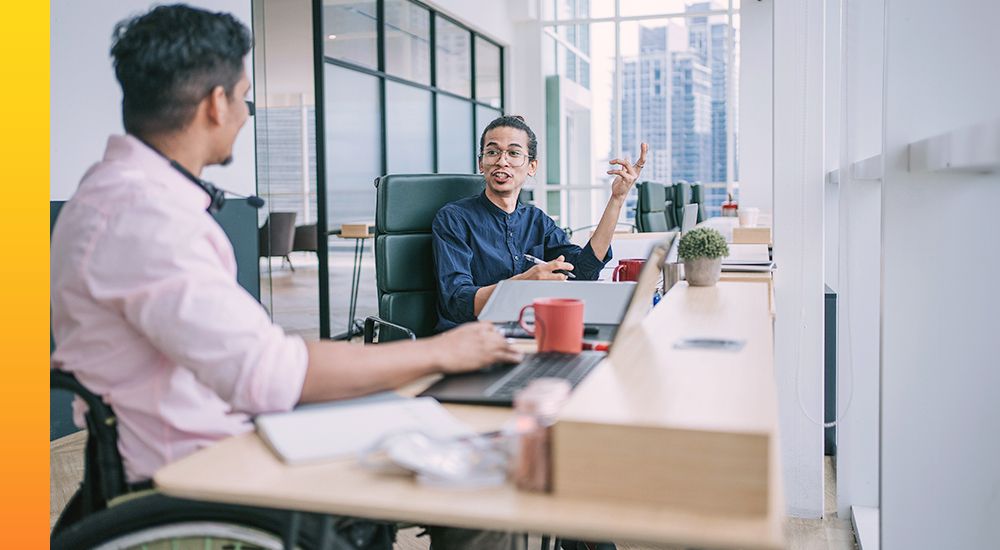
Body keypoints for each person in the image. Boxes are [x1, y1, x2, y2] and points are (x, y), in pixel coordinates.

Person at [50, 5, 523, 548]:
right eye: (245, 96)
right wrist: (445, 352)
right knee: (476, 475)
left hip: (217, 429)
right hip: (203, 467)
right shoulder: (144, 217)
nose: (248, 113)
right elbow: (270, 375)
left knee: (439, 428)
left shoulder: (124, 194)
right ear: (215, 103)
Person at [432, 115, 647, 330]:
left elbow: (583, 272)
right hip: (470, 339)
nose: (502, 161)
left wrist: (617, 199)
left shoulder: (537, 221)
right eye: (492, 152)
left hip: (526, 331)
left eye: (514, 153)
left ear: (532, 166)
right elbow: (457, 302)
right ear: (481, 163)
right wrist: (523, 283)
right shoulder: (454, 219)